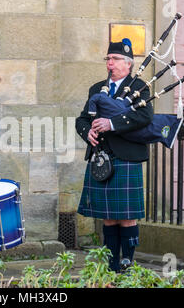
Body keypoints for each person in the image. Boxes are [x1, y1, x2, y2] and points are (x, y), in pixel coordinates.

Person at [75, 39, 153, 272]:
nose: (110, 63)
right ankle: (111, 264)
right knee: (108, 217)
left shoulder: (139, 87)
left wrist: (111, 123)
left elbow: (145, 117)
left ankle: (127, 264)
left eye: (116, 59)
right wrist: (86, 131)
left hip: (126, 156)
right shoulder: (96, 88)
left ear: (128, 64)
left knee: (127, 217)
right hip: (101, 157)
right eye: (108, 59)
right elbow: (82, 118)